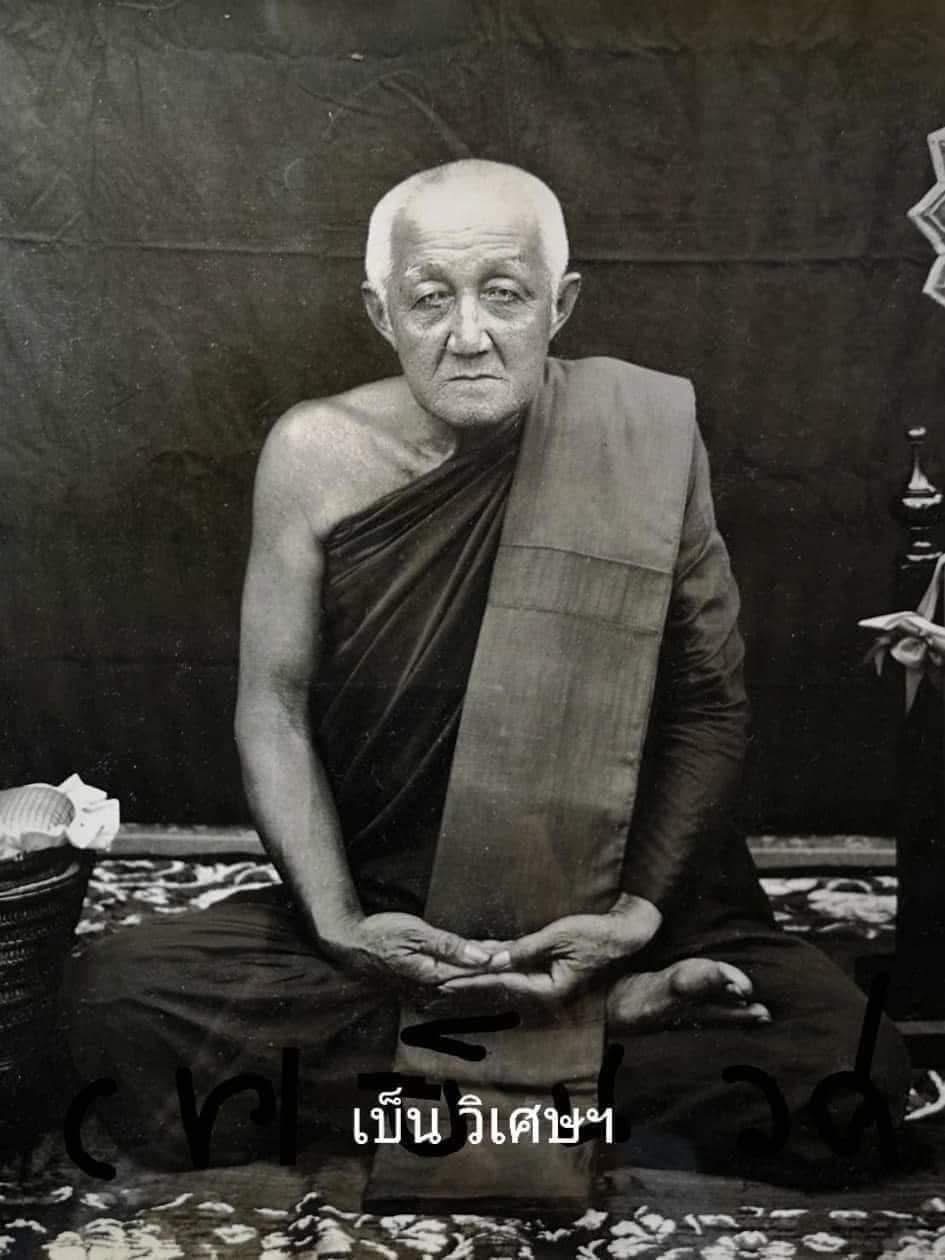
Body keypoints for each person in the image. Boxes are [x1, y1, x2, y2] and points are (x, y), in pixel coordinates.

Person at [66, 159, 910, 1192]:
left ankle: (524, 1040)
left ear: (561, 304)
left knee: (851, 1074)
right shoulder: (314, 454)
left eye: (504, 294)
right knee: (108, 1004)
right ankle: (590, 1040)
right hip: (395, 910)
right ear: (381, 312)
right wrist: (341, 926)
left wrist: (636, 919)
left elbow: (707, 706)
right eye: (431, 298)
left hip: (613, 901)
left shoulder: (642, 437)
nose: (468, 334)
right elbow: (272, 708)